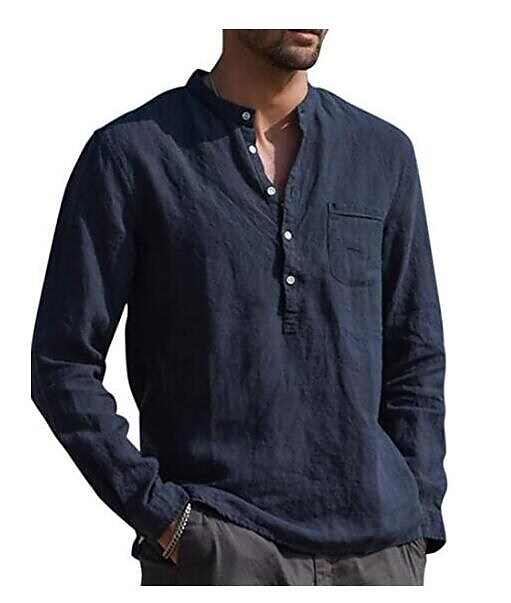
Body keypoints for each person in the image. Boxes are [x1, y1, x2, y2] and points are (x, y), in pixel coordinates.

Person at [30, 29, 447, 586]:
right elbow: (62, 362)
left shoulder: (382, 153)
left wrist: (420, 518)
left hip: (379, 558)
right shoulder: (133, 153)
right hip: (220, 550)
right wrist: (164, 518)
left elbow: (416, 353)